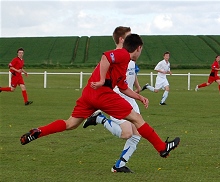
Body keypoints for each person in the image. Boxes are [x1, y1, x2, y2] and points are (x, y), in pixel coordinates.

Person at [19, 34, 180, 170]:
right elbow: (106, 57)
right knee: (137, 119)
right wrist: (103, 79)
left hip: (89, 94)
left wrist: (139, 97)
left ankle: (38, 132)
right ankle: (162, 147)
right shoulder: (124, 54)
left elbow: (123, 86)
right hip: (103, 94)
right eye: (141, 50)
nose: (140, 52)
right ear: (138, 48)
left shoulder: (123, 64)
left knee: (71, 124)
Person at [82, 26, 143, 173]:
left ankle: (119, 165)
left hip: (130, 98)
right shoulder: (114, 57)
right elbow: (103, 68)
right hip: (116, 97)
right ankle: (99, 119)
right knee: (127, 133)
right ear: (122, 39)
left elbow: (131, 74)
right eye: (129, 36)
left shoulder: (131, 58)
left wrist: (138, 87)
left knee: (137, 133)